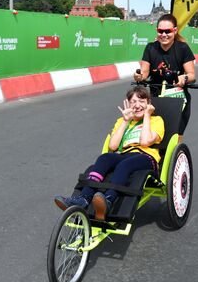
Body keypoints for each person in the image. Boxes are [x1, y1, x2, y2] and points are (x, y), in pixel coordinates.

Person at [54, 86, 164, 221]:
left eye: (141, 101)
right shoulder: (122, 121)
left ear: (148, 103)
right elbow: (113, 146)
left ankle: (109, 200)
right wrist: (125, 121)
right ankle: (83, 198)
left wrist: (147, 115)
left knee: (125, 164)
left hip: (146, 156)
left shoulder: (156, 120)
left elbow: (146, 141)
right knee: (104, 158)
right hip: (123, 154)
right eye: (133, 102)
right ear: (128, 104)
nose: (137, 105)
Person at [133, 13, 195, 137]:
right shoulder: (150, 48)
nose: (164, 35)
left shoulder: (183, 48)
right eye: (161, 31)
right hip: (156, 99)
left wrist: (184, 78)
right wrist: (139, 76)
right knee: (153, 134)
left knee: (175, 136)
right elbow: (144, 72)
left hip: (178, 100)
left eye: (168, 31)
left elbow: (192, 75)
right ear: (157, 31)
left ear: (175, 30)